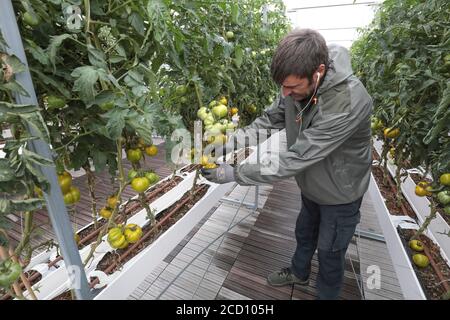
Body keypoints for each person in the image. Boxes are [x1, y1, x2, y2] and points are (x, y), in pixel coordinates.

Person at [201, 28, 373, 300]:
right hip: (311, 183)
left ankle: (326, 294)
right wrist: (227, 144)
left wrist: (236, 173)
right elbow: (267, 122)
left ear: (317, 72)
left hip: (341, 191)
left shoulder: (347, 102)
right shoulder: (296, 86)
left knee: (330, 250)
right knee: (305, 231)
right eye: (282, 86)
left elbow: (298, 156)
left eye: (292, 87)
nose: (285, 93)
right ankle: (298, 271)